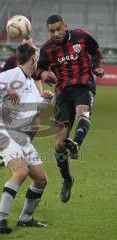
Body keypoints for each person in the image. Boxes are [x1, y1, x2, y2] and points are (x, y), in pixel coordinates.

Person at [0, 43, 53, 234]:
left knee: (40, 179)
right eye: (36, 57)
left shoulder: (29, 80)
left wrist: (46, 100)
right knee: (21, 172)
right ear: (33, 59)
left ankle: (26, 218)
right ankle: (1, 221)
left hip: (22, 135)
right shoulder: (11, 74)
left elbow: (33, 109)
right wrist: (5, 90)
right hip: (4, 132)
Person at [35, 15, 104, 203]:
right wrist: (44, 73)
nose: (56, 33)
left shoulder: (81, 37)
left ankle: (76, 145)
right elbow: (38, 70)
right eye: (52, 31)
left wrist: (97, 67)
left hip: (83, 85)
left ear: (65, 26)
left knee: (83, 113)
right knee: (59, 145)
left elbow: (96, 51)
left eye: (59, 29)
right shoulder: (47, 49)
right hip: (63, 93)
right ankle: (67, 179)